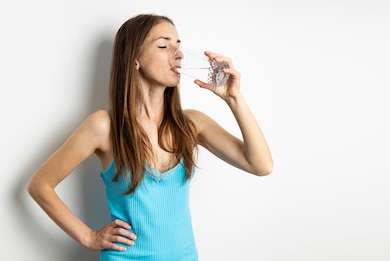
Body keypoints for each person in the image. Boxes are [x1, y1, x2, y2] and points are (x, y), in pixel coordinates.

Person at [27, 13, 273, 260]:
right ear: (135, 59)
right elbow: (40, 186)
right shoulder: (104, 126)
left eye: (179, 45)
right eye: (164, 45)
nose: (178, 54)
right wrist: (88, 237)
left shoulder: (191, 124)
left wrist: (234, 98)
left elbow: (261, 165)